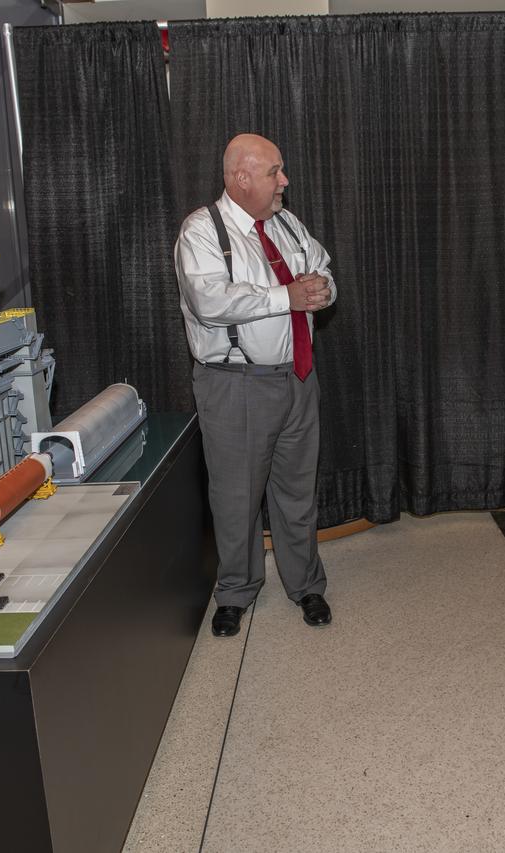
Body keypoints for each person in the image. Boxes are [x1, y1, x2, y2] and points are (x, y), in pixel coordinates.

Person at [174, 133, 336, 637]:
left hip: (297, 380)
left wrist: (323, 288)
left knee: (296, 492)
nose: (284, 180)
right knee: (236, 497)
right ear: (241, 178)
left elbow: (323, 268)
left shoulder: (286, 223)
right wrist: (286, 296)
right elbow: (211, 301)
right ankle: (237, 592)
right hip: (235, 385)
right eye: (275, 172)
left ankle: (306, 584)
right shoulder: (202, 230)